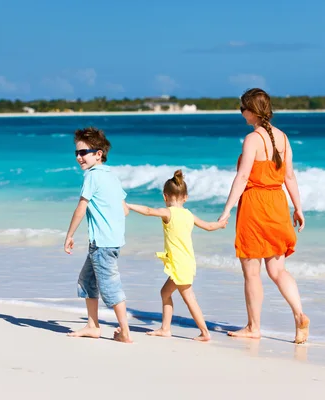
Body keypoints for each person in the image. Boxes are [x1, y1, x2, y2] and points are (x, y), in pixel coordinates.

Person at [218, 88, 310, 344]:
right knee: (278, 269)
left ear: (251, 110)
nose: (241, 114)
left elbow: (243, 177)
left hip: (255, 207)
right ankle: (299, 314)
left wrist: (226, 210)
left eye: (242, 109)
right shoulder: (283, 138)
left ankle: (253, 326)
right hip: (278, 204)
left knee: (252, 272)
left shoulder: (252, 139)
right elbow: (289, 176)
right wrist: (298, 208)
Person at [127, 170, 227, 341]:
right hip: (185, 261)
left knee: (189, 298)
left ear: (165, 197)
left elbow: (149, 210)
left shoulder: (169, 212)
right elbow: (209, 226)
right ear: (185, 197)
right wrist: (220, 224)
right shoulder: (189, 215)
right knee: (165, 293)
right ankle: (165, 328)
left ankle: (204, 332)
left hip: (179, 264)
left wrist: (128, 205)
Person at [63, 126, 132, 343]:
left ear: (98, 154)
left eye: (83, 152)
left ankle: (125, 331)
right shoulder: (111, 175)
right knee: (86, 282)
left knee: (110, 286)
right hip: (109, 241)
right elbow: (125, 209)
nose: (79, 157)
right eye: (76, 153)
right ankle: (93, 325)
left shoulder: (92, 176)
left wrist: (69, 235)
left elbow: (81, 207)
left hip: (102, 243)